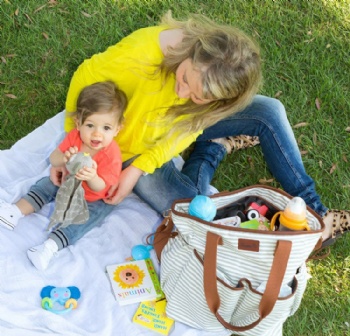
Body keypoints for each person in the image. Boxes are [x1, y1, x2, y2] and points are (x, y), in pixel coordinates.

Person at [54, 12, 348, 248]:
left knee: (269, 111)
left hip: (171, 131)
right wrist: (83, 148)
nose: (182, 93)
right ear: (192, 55)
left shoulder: (206, 99)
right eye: (183, 79)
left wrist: (142, 167)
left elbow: (189, 126)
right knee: (194, 211)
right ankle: (214, 147)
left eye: (197, 96)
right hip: (130, 146)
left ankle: (316, 213)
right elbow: (86, 75)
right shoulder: (142, 55)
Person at [0, 81, 127, 270]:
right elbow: (53, 159)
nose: (97, 134)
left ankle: (49, 247)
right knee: (45, 184)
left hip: (93, 198)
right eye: (90, 125)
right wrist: (64, 158)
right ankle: (14, 212)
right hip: (66, 181)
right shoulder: (75, 137)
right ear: (78, 123)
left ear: (117, 128)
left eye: (106, 128)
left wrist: (91, 176)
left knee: (86, 220)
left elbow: (102, 187)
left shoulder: (111, 154)